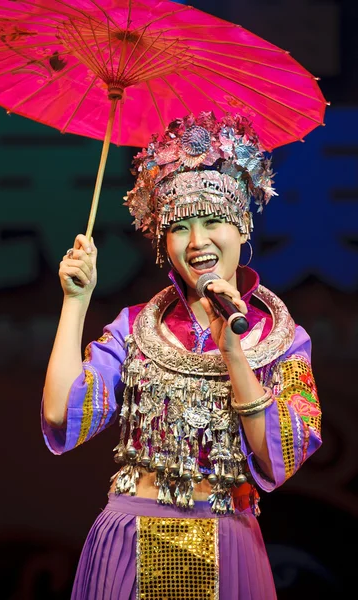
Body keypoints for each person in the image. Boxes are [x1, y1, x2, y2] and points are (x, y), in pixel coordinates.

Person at [41, 111, 322, 600]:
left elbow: (281, 460)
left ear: (241, 227)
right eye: (180, 228)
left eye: (213, 221)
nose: (197, 243)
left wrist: (234, 351)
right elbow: (61, 419)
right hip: (131, 537)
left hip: (226, 540)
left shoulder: (282, 338)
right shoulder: (134, 328)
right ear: (161, 242)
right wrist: (75, 302)